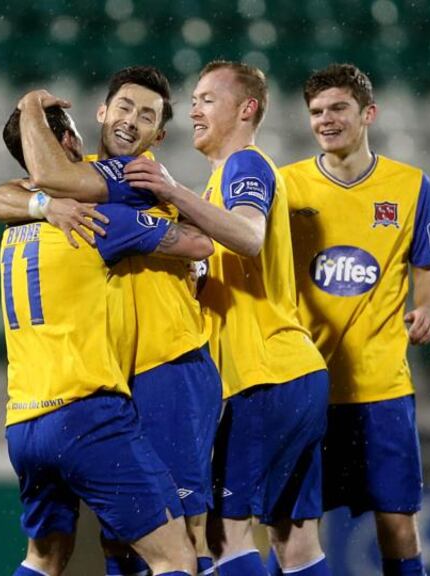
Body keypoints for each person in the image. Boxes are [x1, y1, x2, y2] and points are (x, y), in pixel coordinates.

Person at [0, 66, 223, 576]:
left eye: (147, 115)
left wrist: (41, 201)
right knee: (177, 552)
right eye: (124, 108)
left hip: (26, 416)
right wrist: (33, 105)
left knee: (47, 557)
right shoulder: (93, 213)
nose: (131, 121)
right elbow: (199, 245)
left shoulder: (25, 217)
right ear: (87, 124)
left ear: (160, 134)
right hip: (88, 406)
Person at [124, 61, 330, 576]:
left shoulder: (245, 165)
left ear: (246, 109)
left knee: (223, 534)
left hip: (263, 375)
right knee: (296, 541)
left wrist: (172, 191)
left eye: (207, 99)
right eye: (193, 100)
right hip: (297, 373)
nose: (194, 109)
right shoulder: (218, 185)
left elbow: (249, 236)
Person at [277, 64, 430, 576]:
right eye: (316, 112)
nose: (325, 120)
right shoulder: (286, 187)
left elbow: (428, 275)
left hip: (381, 387)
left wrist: (427, 308)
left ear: (368, 113)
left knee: (397, 523)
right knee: (295, 528)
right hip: (306, 385)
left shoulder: (410, 186)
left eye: (338, 108)